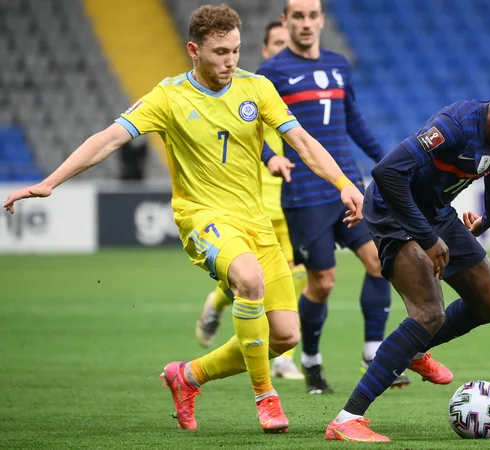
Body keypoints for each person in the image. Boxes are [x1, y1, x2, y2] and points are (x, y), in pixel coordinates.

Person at [4, 5, 364, 434]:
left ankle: (187, 376)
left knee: (285, 335)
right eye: (219, 52)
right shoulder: (169, 97)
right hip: (203, 218)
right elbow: (109, 139)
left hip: (255, 221)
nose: (230, 61)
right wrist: (50, 182)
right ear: (194, 50)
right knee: (248, 280)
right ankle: (266, 397)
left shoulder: (257, 88)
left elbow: (301, 141)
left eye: (235, 50)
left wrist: (342, 182)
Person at [325, 75, 490, 442]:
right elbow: (386, 173)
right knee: (429, 313)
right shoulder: (456, 126)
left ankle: (414, 348)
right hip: (392, 210)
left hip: (435, 210)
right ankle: (347, 418)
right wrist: (428, 238)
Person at [257, 0, 408, 395]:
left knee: (379, 262)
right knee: (322, 283)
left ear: (322, 20)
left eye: (312, 16)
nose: (306, 23)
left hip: (347, 186)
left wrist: (388, 160)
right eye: (298, 17)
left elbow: (352, 120)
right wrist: (271, 157)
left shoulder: (339, 65)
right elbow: (247, 129)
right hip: (305, 195)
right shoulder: (270, 73)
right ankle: (311, 361)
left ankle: (373, 352)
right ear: (286, 21)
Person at [194, 20, 305, 381]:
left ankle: (285, 356)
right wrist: (270, 156)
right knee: (247, 279)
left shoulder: (296, 86)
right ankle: (218, 302)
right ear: (267, 48)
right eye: (277, 43)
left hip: (289, 200)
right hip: (249, 201)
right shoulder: (247, 87)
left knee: (298, 275)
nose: (284, 48)